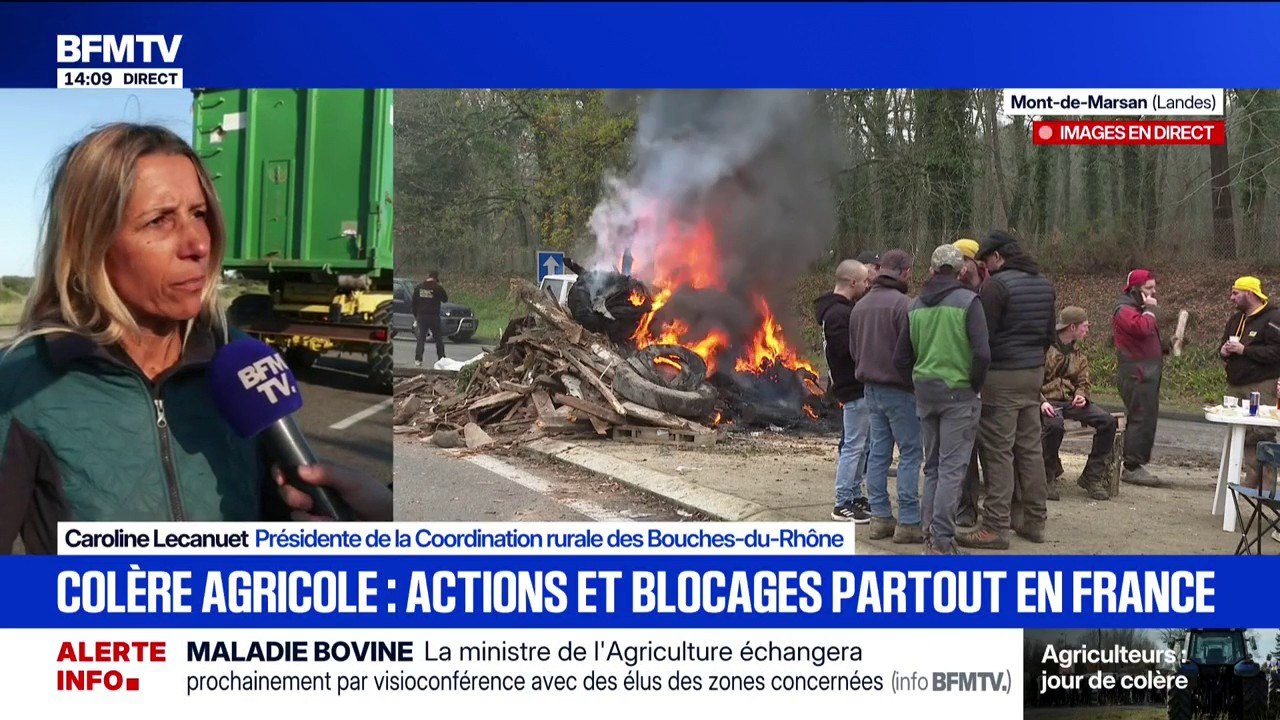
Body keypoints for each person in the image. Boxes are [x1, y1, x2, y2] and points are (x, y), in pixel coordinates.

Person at [0, 123, 391, 553]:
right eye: (160, 220)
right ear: (91, 241)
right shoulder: (23, 387)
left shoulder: (242, 360)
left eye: (199, 214)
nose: (197, 245)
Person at [959, 230, 1056, 550]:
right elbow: (1048, 335)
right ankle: (1034, 520)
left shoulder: (996, 286)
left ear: (998, 257)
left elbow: (982, 339)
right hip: (1032, 374)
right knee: (1029, 448)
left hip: (1001, 376)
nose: (985, 267)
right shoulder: (1044, 284)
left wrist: (976, 378)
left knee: (997, 451)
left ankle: (995, 525)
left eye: (987, 261)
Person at [893, 245, 990, 555]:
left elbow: (900, 358)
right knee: (951, 469)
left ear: (932, 270)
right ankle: (942, 541)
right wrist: (973, 385)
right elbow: (982, 353)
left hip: (925, 393)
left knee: (932, 467)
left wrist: (917, 382)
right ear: (961, 270)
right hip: (959, 395)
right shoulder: (968, 302)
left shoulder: (915, 307)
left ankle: (928, 534)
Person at [849, 249, 922, 544]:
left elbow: (854, 351)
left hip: (870, 389)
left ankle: (879, 517)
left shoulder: (860, 307)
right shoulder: (905, 306)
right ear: (904, 272)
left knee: (878, 454)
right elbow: (912, 350)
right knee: (910, 453)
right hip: (900, 390)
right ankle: (908, 520)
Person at [814, 259, 872, 522]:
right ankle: (842, 501)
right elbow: (845, 352)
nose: (867, 285)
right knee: (854, 446)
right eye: (864, 281)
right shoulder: (838, 314)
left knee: (862, 445)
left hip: (855, 386)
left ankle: (855, 494)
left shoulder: (841, 311)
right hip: (853, 387)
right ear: (852, 282)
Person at [1039, 306, 1117, 502]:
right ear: (1072, 327)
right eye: (1085, 326)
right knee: (1054, 426)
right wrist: (1040, 402)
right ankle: (1046, 477)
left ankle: (1092, 475)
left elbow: (1083, 381)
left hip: (1070, 401)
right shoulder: (1044, 349)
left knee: (1107, 421)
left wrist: (1081, 395)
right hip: (1046, 401)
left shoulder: (1078, 353)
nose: (1087, 331)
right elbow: (1029, 379)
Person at [1219, 276, 1280, 489]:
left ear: (1250, 293)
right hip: (1236, 384)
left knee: (1262, 433)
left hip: (1261, 384)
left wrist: (1246, 350)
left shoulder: (1273, 318)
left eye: (1236, 293)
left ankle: (1268, 485)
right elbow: (1223, 346)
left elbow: (1276, 352)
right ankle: (1252, 475)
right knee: (1241, 434)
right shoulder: (1236, 320)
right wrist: (1224, 351)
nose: (1231, 297)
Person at [1112, 269, 1165, 486]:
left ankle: (1136, 463)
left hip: (1147, 371)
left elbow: (1144, 339)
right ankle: (1132, 466)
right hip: (1137, 373)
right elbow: (1142, 329)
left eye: (1154, 287)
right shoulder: (1124, 310)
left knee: (1145, 418)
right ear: (1135, 289)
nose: (1153, 292)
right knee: (1140, 418)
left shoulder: (1138, 309)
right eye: (1148, 288)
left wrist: (1166, 346)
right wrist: (1151, 311)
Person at [953, 237, 987, 528]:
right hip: (962, 383)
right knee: (966, 449)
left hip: (989, 378)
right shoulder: (951, 294)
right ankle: (966, 507)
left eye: (964, 259)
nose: (960, 266)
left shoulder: (989, 292)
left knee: (994, 447)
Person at [413, 270, 449, 367]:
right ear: (436, 277)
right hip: (434, 316)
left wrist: (416, 316)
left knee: (421, 338)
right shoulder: (437, 288)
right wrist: (440, 286)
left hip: (422, 316)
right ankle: (442, 358)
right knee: (438, 338)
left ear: (427, 276)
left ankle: (418, 359)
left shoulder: (419, 287)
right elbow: (445, 299)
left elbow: (414, 303)